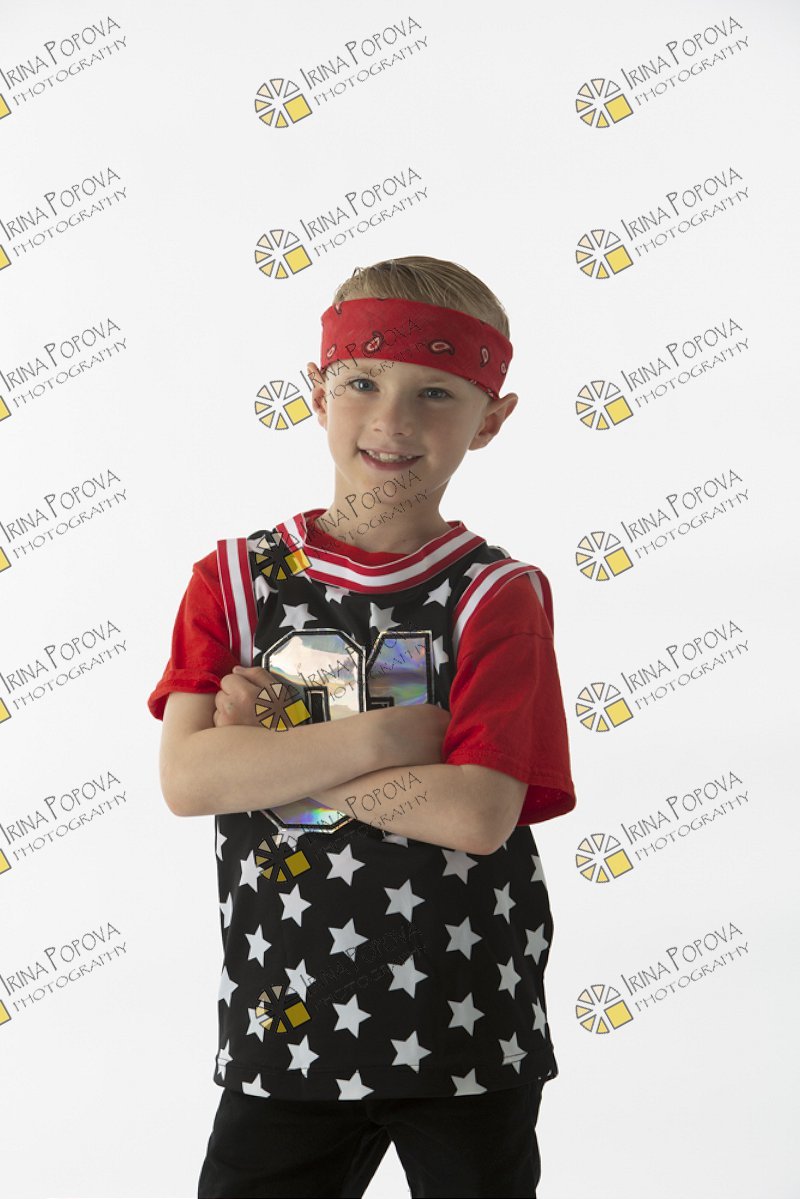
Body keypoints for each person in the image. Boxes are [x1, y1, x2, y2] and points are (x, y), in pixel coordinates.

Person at [148, 255, 577, 1198]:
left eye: (436, 392)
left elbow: (478, 815)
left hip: (468, 1023)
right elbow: (189, 780)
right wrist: (388, 737)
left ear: (492, 419)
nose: (393, 419)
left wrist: (273, 748)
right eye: (362, 384)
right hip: (287, 1022)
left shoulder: (497, 595)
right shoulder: (233, 581)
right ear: (317, 391)